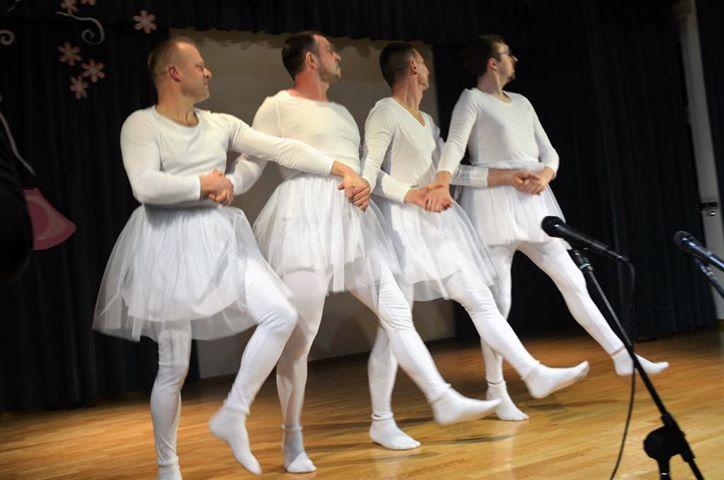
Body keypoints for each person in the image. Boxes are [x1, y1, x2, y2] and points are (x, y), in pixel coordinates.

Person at [93, 36, 368, 479]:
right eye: (199, 66)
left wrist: (341, 168)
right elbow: (144, 185)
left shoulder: (221, 124)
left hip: (219, 237)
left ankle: (233, 412)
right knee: (174, 367)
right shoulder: (141, 125)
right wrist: (203, 184)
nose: (209, 72)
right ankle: (168, 466)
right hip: (167, 243)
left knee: (281, 314)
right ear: (174, 72)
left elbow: (282, 148)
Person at [361, 42, 590, 450]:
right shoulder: (384, 112)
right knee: (393, 328)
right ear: (412, 67)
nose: (428, 69)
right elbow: (369, 173)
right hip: (402, 229)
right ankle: (381, 420)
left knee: (480, 300)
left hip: (436, 226)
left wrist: (506, 178)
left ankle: (532, 372)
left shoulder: (426, 121)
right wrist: (412, 194)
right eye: (423, 63)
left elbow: (451, 173)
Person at [428, 35, 669, 419]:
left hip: (534, 201)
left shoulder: (522, 102)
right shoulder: (471, 101)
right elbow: (454, 155)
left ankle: (622, 355)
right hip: (493, 206)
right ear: (491, 63)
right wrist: (449, 180)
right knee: (498, 302)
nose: (514, 58)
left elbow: (549, 151)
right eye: (507, 54)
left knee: (574, 280)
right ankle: (496, 389)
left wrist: (546, 175)